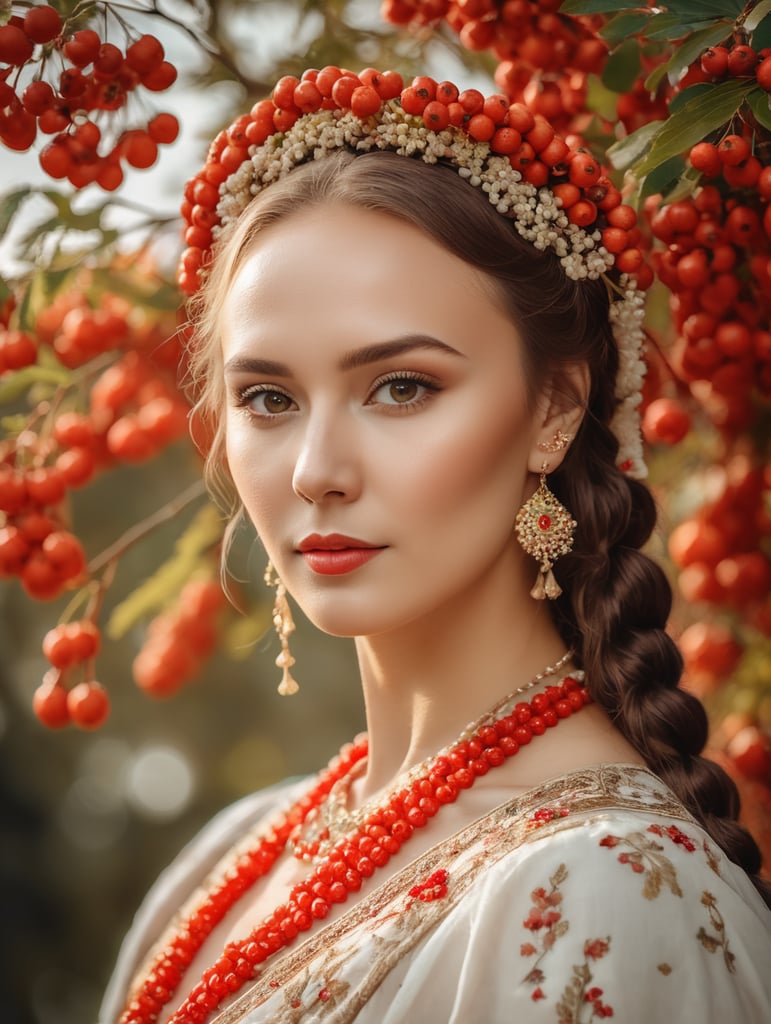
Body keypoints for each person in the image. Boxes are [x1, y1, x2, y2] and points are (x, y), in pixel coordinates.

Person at [100, 67, 771, 1024]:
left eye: (401, 387)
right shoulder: (233, 852)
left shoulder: (602, 894)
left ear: (554, 408)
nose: (315, 470)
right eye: (269, 399)